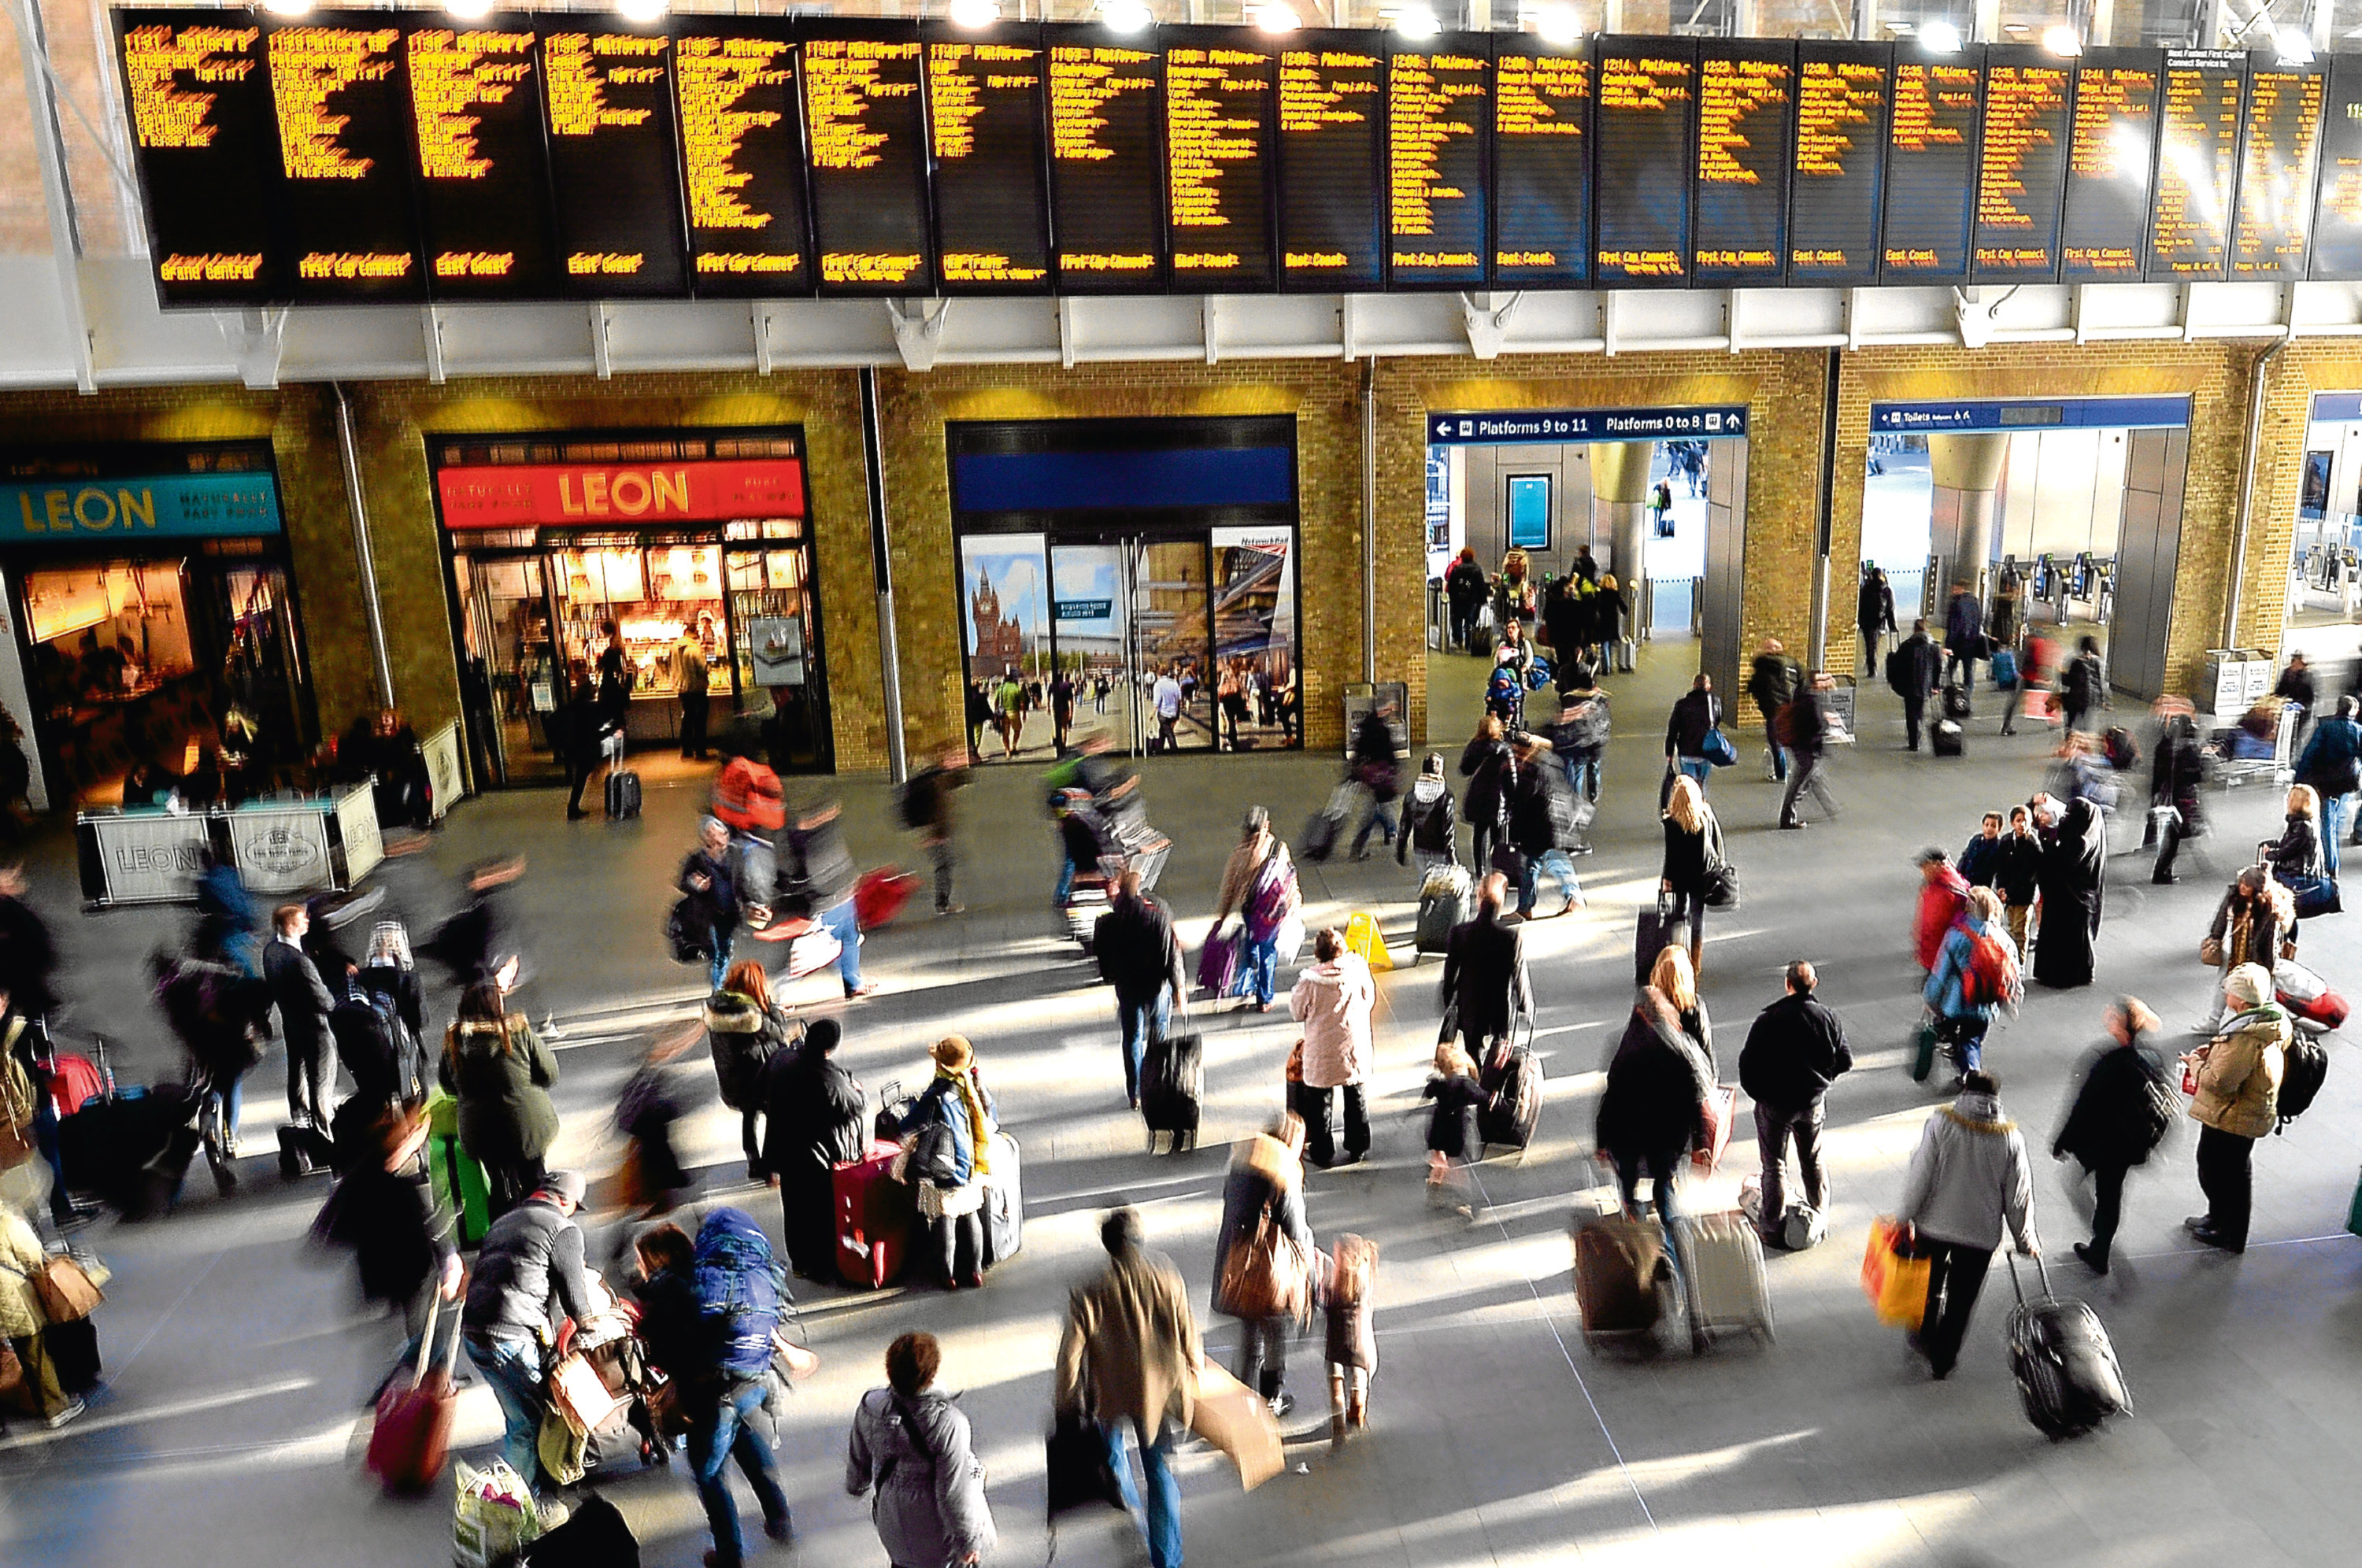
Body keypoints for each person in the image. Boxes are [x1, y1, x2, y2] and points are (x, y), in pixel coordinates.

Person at [1055, 1208, 1201, 1568]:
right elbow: (1188, 1335)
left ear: (1107, 1246)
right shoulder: (1165, 1276)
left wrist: (1066, 1401)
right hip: (1158, 1392)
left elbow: (1070, 1355)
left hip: (1108, 1392)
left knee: (1112, 1453)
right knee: (1160, 1471)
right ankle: (1167, 1557)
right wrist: (1195, 1369)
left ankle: (1127, 1506)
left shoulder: (1089, 1290)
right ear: (1138, 1240)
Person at [1892, 1071, 2038, 1380]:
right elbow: (2018, 1196)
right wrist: (2026, 1240)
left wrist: (1903, 1218)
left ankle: (1924, 1335)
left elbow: (1920, 1176)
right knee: (1961, 1301)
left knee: (1928, 1287)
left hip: (1934, 1226)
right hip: (1979, 1237)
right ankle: (1944, 1361)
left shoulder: (1941, 1124)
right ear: (1996, 1099)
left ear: (1966, 1092)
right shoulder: (2011, 1138)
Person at [461, 1169, 596, 1494]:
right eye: (575, 1206)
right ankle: (517, 1504)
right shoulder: (563, 1229)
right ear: (566, 1201)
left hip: (474, 1333)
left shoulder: (504, 1221)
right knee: (528, 1424)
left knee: (518, 1414)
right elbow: (576, 1298)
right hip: (508, 1338)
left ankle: (524, 1488)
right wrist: (590, 1332)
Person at [319, 1104, 465, 1403]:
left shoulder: (358, 1182)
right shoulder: (391, 1187)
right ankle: (406, 1386)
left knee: (421, 1332)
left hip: (385, 1274)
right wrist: (447, 1259)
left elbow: (328, 1234)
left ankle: (430, 1378)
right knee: (425, 1336)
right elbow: (425, 1231)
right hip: (409, 1272)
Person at [846, 1332, 996, 1568]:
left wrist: (856, 1485)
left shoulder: (871, 1407)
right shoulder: (947, 1423)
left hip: (891, 1522)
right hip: (936, 1533)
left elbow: (859, 1460)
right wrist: (968, 1543)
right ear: (932, 1371)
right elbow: (954, 1493)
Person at [1597, 947, 1714, 1239]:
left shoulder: (1634, 1034)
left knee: (1628, 1178)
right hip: (1668, 1129)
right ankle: (1673, 1238)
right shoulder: (1687, 1032)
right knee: (1664, 1181)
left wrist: (1601, 1138)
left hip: (1631, 1129)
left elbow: (1612, 1095)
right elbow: (1697, 1084)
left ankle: (1632, 1223)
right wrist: (1701, 1142)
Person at [2052, 997, 2171, 1275]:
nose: (2107, 1017)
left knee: (2099, 1192)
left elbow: (2085, 1104)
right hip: (2129, 1143)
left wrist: (2064, 1141)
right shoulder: (2151, 1057)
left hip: (2103, 1141)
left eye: (2112, 1015)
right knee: (2111, 1193)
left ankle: (2100, 1247)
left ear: (2121, 1023)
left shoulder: (2108, 1062)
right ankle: (2101, 1244)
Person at [1737, 960, 1852, 1239]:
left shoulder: (1769, 1020)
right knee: (1812, 1161)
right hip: (1812, 1104)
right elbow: (1845, 1060)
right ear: (1813, 984)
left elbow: (1747, 1066)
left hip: (1775, 1105)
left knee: (1774, 1165)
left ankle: (1771, 1227)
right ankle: (1819, 1217)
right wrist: (1821, 1083)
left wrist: (1760, 1096)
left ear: (1788, 985)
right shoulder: (1828, 1018)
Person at [1211, 1113, 1314, 1415]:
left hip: (1235, 1267)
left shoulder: (1242, 1163)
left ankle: (1241, 1400)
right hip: (1268, 1274)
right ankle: (1272, 1398)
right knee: (1273, 1333)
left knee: (1248, 1335)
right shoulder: (1281, 1173)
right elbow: (1297, 1231)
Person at [2184, 963, 2290, 1255]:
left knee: (2220, 1170)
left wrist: (2195, 1063)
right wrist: (2216, 1053)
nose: (2225, 994)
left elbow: (2221, 1082)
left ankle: (2228, 1231)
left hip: (2233, 1115)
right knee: (2228, 1170)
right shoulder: (2265, 1022)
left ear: (2241, 1000)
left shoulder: (2246, 1037)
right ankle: (2219, 1219)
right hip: (2244, 1112)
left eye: (2228, 990)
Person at [439, 980, 560, 1219]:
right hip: (526, 1125)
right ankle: (545, 1230)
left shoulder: (454, 1044)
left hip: (481, 1133)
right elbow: (549, 1074)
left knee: (500, 1186)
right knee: (535, 1179)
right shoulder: (518, 1034)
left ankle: (504, 1234)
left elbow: (448, 1086)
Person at [760, 1018, 864, 1281]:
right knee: (820, 1211)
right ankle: (822, 1266)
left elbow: (760, 1086)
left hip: (783, 1148)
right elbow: (854, 1106)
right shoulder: (830, 1077)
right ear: (830, 1048)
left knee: (794, 1208)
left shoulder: (781, 1059)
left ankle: (800, 1261)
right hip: (814, 1155)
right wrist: (857, 1089)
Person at [901, 1035, 998, 1289]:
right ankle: (975, 1271)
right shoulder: (974, 1087)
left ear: (942, 1066)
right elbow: (992, 1116)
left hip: (945, 1165)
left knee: (946, 1219)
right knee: (970, 1216)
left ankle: (948, 1275)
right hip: (972, 1165)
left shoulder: (937, 1094)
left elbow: (909, 1124)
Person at [1095, 870, 1186, 1111]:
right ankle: (1155, 1084)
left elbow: (1103, 960)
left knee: (1132, 1039)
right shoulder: (1156, 918)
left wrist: (1112, 976)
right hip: (1156, 988)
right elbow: (1172, 955)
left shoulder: (1107, 923)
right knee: (1159, 1034)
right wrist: (1179, 988)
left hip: (1128, 988)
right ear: (1138, 892)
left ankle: (1134, 1093)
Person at [704, 960, 798, 1184]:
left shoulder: (719, 1009)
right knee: (776, 1119)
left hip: (734, 1080)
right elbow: (777, 1031)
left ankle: (754, 1162)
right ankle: (770, 1167)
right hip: (761, 1077)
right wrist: (772, 1007)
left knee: (749, 1118)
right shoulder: (752, 1016)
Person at [1290, 930, 1374, 1169]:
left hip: (1322, 1050)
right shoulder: (1357, 971)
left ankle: (1322, 1151)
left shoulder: (1309, 982)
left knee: (1319, 1102)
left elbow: (1297, 1012)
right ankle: (1358, 1146)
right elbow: (1369, 1000)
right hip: (1353, 1044)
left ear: (1318, 953)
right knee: (1356, 1094)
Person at [0, 1196, 85, 1427]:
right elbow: (31, 1254)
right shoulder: (6, 1221)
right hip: (10, 1296)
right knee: (34, 1353)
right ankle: (55, 1407)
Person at [1438, 871, 1533, 1068]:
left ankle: (1476, 1083)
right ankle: (1490, 1089)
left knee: (1472, 1053)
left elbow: (1450, 976)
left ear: (1479, 897)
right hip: (1498, 1008)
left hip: (1470, 1007)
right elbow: (1519, 977)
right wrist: (1526, 1006)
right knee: (1499, 1058)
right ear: (1502, 901)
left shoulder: (1460, 933)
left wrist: (1449, 1001)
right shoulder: (1511, 938)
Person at [1924, 887, 2019, 1082]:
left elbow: (1941, 972)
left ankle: (1969, 1075)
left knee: (1953, 1034)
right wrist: (2012, 999)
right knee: (1973, 1040)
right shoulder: (2003, 939)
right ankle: (1967, 1066)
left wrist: (1930, 998)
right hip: (1985, 1001)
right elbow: (2014, 972)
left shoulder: (1956, 935)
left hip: (1956, 1000)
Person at [784, 797, 875, 1000]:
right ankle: (780, 993)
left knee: (849, 938)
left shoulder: (828, 831)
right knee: (816, 951)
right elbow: (815, 875)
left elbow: (841, 859)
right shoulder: (807, 841)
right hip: (829, 902)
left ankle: (853, 983)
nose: (832, 814)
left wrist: (852, 880)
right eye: (827, 812)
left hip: (843, 896)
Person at [265, 902, 341, 1135]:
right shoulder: (301, 961)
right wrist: (334, 1003)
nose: (308, 921)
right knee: (322, 1079)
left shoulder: (271, 951)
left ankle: (301, 1119)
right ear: (290, 925)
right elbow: (324, 1000)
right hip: (316, 1026)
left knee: (297, 1074)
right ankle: (325, 1126)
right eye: (302, 919)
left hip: (291, 1022)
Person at [1214, 807, 1298, 1014]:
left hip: (1251, 911)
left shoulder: (1239, 854)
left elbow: (1229, 889)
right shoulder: (1279, 848)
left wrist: (1222, 917)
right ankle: (1265, 998)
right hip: (1274, 913)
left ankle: (1244, 985)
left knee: (1251, 942)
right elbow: (1289, 878)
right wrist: (1295, 902)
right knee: (1267, 952)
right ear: (1266, 825)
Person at [2201, 867, 2293, 1030]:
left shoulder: (2269, 907)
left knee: (2257, 990)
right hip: (2234, 952)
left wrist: (2269, 965)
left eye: (2247, 885)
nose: (2242, 887)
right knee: (2224, 984)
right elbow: (2221, 918)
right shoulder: (2233, 896)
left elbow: (2271, 940)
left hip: (2257, 955)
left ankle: (2257, 1022)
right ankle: (2214, 1021)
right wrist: (2215, 937)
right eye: (2242, 883)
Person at [2032, 792, 2106, 989]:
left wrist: (2043, 844)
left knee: (2062, 939)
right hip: (2077, 899)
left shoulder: (2077, 842)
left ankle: (2059, 975)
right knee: (2076, 940)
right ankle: (2079, 972)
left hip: (2065, 899)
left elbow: (2057, 863)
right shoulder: (2089, 836)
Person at [1505, 734, 1584, 916]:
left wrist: (1509, 777)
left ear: (1527, 749)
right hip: (1548, 826)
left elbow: (1522, 796)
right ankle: (1571, 899)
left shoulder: (1533, 768)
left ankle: (1528, 907)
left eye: (1517, 751)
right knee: (1543, 863)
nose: (1515, 755)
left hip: (1542, 827)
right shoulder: (1546, 761)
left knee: (1541, 864)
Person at [1421, 1043, 1494, 1217]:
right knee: (1461, 1167)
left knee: (1439, 1162)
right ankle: (1464, 1202)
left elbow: (1428, 1093)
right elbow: (1484, 1098)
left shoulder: (1438, 1083)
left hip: (1438, 1129)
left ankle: (1433, 1191)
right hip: (1458, 1131)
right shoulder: (1465, 1084)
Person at [2294, 693, 2362, 875]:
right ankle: (2332, 860)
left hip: (2324, 781)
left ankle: (2330, 864)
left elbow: (2310, 754)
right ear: (2354, 711)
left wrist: (2299, 780)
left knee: (2326, 820)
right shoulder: (2358, 730)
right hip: (2347, 781)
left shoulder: (2325, 728)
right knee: (2335, 812)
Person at [1658, 774, 1718, 972]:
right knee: (1697, 917)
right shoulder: (1705, 817)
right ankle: (1696, 960)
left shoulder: (1671, 822)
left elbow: (1671, 854)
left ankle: (1677, 955)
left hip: (1680, 877)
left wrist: (1667, 879)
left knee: (1679, 914)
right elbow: (1714, 845)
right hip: (1700, 876)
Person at [679, 817, 742, 994]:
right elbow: (683, 882)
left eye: (723, 833)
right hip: (712, 915)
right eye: (714, 835)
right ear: (706, 838)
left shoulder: (735, 855)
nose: (722, 839)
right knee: (720, 952)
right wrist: (696, 884)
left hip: (732, 912)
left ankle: (719, 980)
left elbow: (745, 879)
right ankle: (718, 988)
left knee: (724, 949)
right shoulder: (696, 860)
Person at [2150, 712, 2208, 885]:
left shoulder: (2165, 746)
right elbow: (2195, 776)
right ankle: (2162, 872)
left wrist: (2156, 793)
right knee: (2174, 837)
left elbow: (2158, 772)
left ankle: (2162, 869)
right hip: (2184, 795)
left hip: (2169, 795)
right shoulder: (2191, 749)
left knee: (2171, 835)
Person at [1777, 671, 1839, 830]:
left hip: (1801, 745)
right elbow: (1817, 725)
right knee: (1798, 785)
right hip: (1808, 747)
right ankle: (1787, 819)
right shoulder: (1813, 700)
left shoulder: (1802, 695)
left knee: (1815, 778)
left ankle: (1831, 807)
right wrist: (1827, 723)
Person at [1458, 715, 1515, 874]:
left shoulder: (1474, 747)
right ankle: (1496, 867)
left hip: (1478, 794)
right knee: (1498, 834)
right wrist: (1513, 797)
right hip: (1498, 796)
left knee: (1479, 832)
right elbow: (1512, 776)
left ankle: (1480, 868)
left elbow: (1464, 770)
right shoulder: (1505, 749)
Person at [1546, 673, 1609, 812]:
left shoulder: (1568, 698)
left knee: (1575, 771)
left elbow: (1561, 718)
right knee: (1594, 768)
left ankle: (1574, 799)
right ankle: (1593, 794)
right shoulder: (1600, 699)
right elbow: (1605, 722)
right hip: (1594, 743)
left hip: (1572, 741)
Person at [1346, 702, 1401, 860]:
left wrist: (1354, 773)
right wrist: (1396, 771)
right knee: (1377, 810)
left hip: (1371, 774)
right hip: (1383, 774)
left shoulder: (1366, 729)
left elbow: (1359, 752)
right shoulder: (1382, 730)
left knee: (1380, 806)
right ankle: (1388, 832)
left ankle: (1390, 830)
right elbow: (1390, 753)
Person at [1747, 638, 1802, 783]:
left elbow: (1756, 685)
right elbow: (1803, 682)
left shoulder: (1763, 666)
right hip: (1791, 708)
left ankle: (1781, 774)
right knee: (1789, 741)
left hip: (1774, 710)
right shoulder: (1792, 663)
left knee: (1775, 743)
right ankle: (1795, 768)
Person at [2269, 784, 2329, 913]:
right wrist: (2275, 844)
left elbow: (2289, 850)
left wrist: (2272, 854)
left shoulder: (2302, 826)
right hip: (2303, 870)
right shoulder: (2309, 821)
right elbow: (2293, 843)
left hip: (2294, 873)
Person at [1395, 753, 1458, 874]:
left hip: (1420, 847)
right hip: (1439, 848)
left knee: (1425, 883)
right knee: (1439, 885)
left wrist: (1401, 849)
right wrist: (1451, 856)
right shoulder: (1445, 796)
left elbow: (1404, 825)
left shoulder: (1412, 795)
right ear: (1439, 771)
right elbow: (1448, 829)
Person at [1995, 807, 2042, 961]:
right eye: (2018, 821)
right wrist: (2000, 888)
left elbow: (2027, 875)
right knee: (2011, 927)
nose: (2022, 824)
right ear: (2012, 823)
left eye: (2025, 821)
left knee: (2020, 931)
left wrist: (2008, 890)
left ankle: (2019, 963)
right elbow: (2001, 867)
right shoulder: (2006, 841)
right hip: (2009, 895)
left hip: (2024, 895)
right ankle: (2011, 960)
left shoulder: (2033, 846)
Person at [1889, 619, 1942, 751]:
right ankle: (1918, 730)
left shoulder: (1907, 645)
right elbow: (1938, 667)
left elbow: (1897, 665)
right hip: (1925, 683)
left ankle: (1913, 740)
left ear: (1915, 630)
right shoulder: (1934, 646)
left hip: (1909, 684)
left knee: (1910, 712)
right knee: (1919, 709)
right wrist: (1935, 685)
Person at [561, 660, 603, 822]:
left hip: (574, 746)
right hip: (586, 747)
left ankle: (573, 807)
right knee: (581, 777)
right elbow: (596, 727)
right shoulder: (590, 708)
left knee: (580, 777)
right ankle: (573, 807)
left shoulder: (573, 706)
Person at [1664, 673, 1721, 791]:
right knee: (1702, 786)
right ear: (1709, 686)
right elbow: (1717, 720)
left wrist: (1669, 752)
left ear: (1694, 685)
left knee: (1689, 788)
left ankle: (1690, 807)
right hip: (1706, 751)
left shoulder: (1682, 704)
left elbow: (1673, 729)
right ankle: (1701, 806)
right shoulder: (1714, 702)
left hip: (1687, 751)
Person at [1916, 849, 1968, 976]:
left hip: (1945, 958)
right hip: (1934, 954)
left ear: (1937, 865)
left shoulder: (1949, 889)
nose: (1923, 871)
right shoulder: (1933, 884)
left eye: (1925, 866)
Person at [675, 624, 711, 760]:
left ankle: (686, 750)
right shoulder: (694, 650)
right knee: (700, 721)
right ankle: (700, 751)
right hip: (697, 689)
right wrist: (710, 662)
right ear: (696, 633)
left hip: (683, 688)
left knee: (687, 719)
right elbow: (704, 669)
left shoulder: (676, 647)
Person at [1857, 566, 1898, 678]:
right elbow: (1890, 609)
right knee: (1874, 644)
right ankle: (1873, 666)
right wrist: (1892, 625)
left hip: (1866, 622)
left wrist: (1860, 621)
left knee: (1869, 645)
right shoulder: (1886, 590)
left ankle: (1871, 667)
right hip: (1878, 622)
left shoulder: (1866, 588)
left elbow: (1860, 605)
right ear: (1881, 576)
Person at [1445, 547, 1488, 652]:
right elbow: (1481, 586)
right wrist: (1483, 600)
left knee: (1458, 621)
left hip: (1459, 600)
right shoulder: (1477, 569)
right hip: (1473, 601)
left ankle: (1459, 641)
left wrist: (1452, 598)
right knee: (1471, 622)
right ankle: (1469, 643)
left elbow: (1451, 586)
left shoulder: (1456, 569)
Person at [1942, 582, 1984, 690]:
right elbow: (1980, 620)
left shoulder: (1956, 603)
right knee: (1968, 669)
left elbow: (1954, 625)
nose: (1952, 592)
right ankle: (1967, 693)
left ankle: (1948, 689)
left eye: (1954, 589)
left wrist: (1948, 644)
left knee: (1951, 667)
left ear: (1961, 589)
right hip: (1971, 641)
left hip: (1958, 642)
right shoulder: (1975, 602)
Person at [2061, 635, 2106, 735]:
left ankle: (2069, 743)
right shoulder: (2097, 661)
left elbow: (2070, 682)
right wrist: (2102, 700)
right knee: (2088, 725)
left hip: (2077, 698)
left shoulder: (2077, 662)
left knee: (2071, 724)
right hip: (2093, 699)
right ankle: (2086, 744)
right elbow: (2100, 682)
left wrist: (2061, 674)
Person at [2275, 652, 2316, 750]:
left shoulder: (2307, 677)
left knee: (2296, 736)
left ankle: (2292, 755)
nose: (2294, 663)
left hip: (2302, 713)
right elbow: (2280, 690)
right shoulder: (2288, 673)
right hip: (2288, 710)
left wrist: (2300, 705)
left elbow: (2310, 698)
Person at [1958, 813, 2005, 887]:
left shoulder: (1999, 847)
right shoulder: (1976, 839)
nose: (1989, 829)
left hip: (1980, 886)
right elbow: (1965, 857)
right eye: (1987, 825)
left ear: (1999, 829)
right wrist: (1959, 875)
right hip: (1963, 881)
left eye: (1993, 826)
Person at [1151, 668, 1184, 753]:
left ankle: (1174, 749)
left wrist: (1152, 714)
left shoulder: (1158, 684)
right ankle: (1159, 749)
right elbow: (1179, 698)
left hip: (1163, 713)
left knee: (1169, 733)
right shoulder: (1174, 683)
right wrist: (1177, 714)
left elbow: (1157, 702)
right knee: (1163, 731)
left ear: (1158, 675)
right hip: (1173, 712)